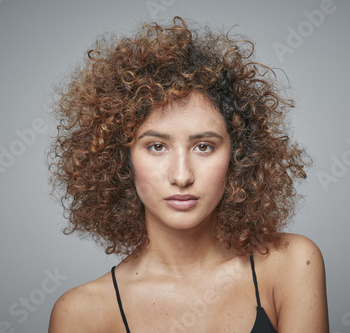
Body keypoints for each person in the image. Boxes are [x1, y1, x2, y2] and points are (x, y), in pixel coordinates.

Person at [48, 16, 328, 332]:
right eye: (156, 147)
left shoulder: (291, 264)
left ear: (239, 155)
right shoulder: (82, 314)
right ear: (120, 158)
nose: (182, 176)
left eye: (204, 147)